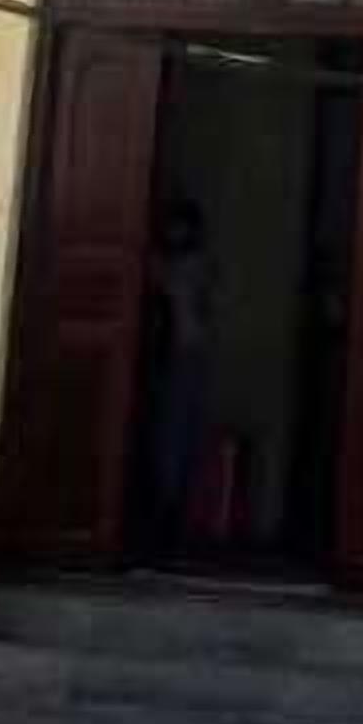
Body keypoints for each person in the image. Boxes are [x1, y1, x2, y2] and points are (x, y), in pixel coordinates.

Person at [142, 196, 216, 554]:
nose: (174, 232)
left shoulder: (190, 265)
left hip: (184, 355)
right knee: (169, 432)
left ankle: (171, 515)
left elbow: (170, 287)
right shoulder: (186, 264)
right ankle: (167, 511)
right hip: (177, 355)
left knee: (175, 433)